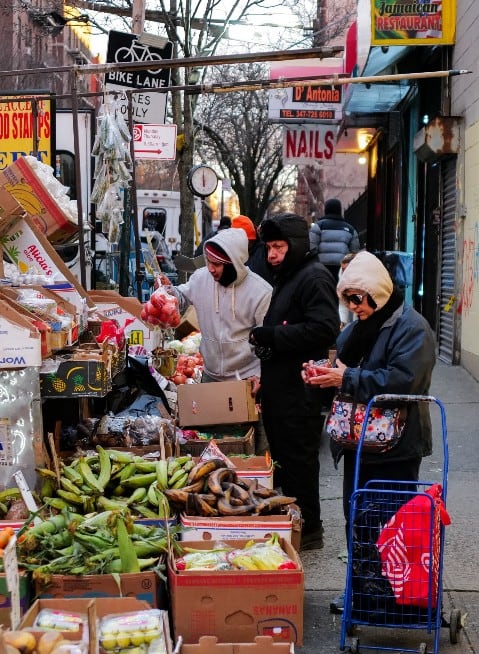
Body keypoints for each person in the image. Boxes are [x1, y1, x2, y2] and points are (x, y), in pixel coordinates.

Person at [304, 251, 436, 613]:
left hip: (397, 444)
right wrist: (321, 373)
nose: (353, 306)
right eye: (347, 299)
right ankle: (362, 590)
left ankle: (396, 595)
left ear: (377, 292)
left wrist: (344, 377)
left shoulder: (412, 328)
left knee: (392, 521)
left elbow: (404, 381)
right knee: (358, 517)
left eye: (357, 298)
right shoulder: (359, 327)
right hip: (361, 442)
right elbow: (343, 366)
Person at [249, 213, 339, 551]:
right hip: (281, 387)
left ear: (296, 245)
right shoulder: (290, 275)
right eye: (269, 247)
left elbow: (325, 328)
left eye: (279, 246)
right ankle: (296, 523)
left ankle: (309, 528)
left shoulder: (313, 277)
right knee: (286, 461)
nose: (272, 254)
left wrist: (273, 335)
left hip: (299, 391)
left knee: (299, 461)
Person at [166, 228, 271, 382]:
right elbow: (182, 298)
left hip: (246, 377)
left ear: (233, 264)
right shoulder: (201, 278)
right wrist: (168, 292)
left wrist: (260, 376)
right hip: (210, 374)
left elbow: (268, 341)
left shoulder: (261, 291)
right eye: (208, 261)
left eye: (216, 264)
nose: (210, 268)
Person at [309, 198, 360, 280]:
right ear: (339, 210)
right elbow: (354, 251)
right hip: (341, 267)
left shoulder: (319, 226)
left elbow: (312, 247)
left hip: (322, 267)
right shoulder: (350, 229)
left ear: (326, 210)